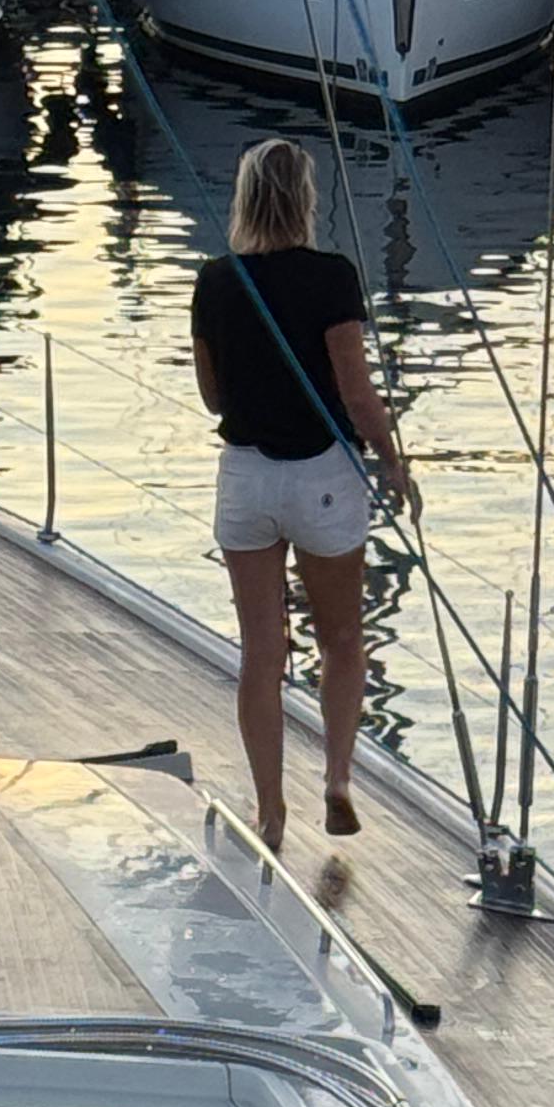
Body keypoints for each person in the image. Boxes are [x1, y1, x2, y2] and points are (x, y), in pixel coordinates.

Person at [189, 138, 414, 853]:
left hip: (247, 478)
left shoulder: (216, 280)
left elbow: (211, 393)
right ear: (306, 198)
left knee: (263, 650)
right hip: (322, 477)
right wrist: (395, 462)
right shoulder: (333, 278)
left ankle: (268, 809)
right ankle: (338, 780)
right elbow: (355, 390)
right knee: (342, 638)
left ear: (246, 197)